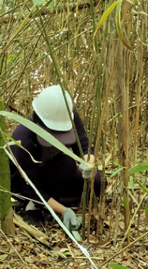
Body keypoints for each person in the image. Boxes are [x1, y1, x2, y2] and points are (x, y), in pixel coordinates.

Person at [9, 85, 104, 232]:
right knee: (66, 164)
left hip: (56, 172)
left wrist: (89, 164)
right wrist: (64, 210)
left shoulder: (67, 116)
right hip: (26, 186)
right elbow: (33, 188)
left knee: (97, 184)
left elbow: (84, 145)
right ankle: (33, 207)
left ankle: (55, 198)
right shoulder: (22, 139)